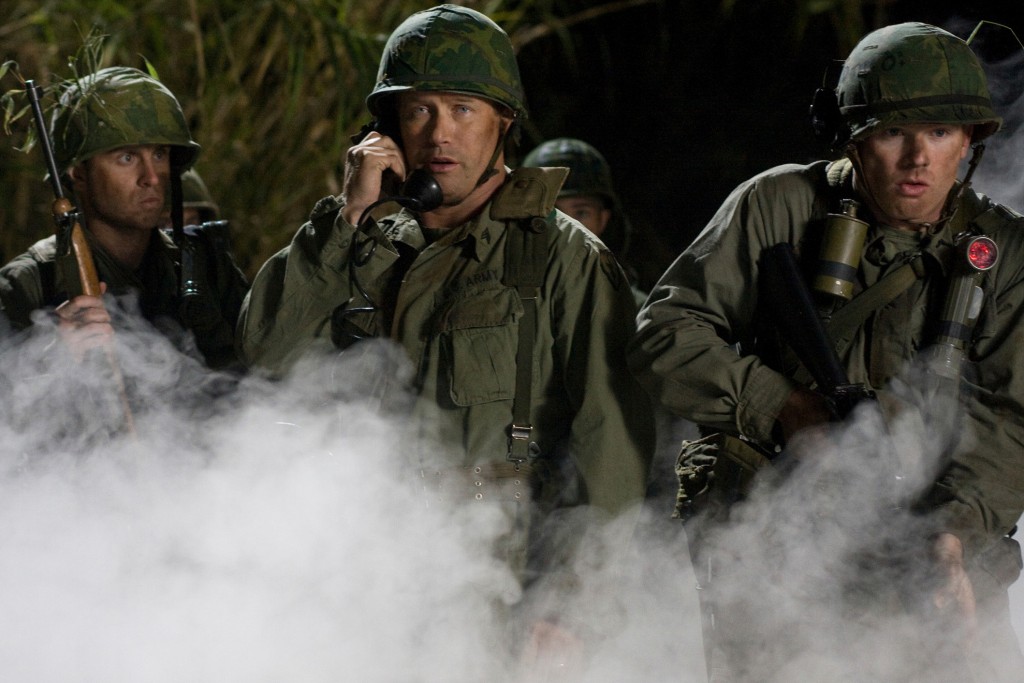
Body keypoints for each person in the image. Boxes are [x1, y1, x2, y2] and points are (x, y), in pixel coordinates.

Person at [238, 3, 653, 673]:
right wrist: (346, 216)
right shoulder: (364, 243)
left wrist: (572, 603)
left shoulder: (562, 256)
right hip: (370, 583)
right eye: (419, 111)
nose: (440, 133)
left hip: (501, 590)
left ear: (503, 124)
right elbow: (266, 352)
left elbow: (612, 447)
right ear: (389, 128)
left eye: (463, 109)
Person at [629, 22, 1024, 682]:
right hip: (782, 558)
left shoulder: (1004, 253)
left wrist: (954, 532)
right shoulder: (780, 205)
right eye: (894, 132)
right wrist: (783, 405)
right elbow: (664, 333)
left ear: (972, 140)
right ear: (852, 137)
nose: (917, 158)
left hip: (938, 562)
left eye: (941, 132)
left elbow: (1013, 417)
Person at [0, 66, 250, 372]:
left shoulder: (204, 266)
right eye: (127, 158)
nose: (151, 178)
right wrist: (49, 357)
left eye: (159, 154)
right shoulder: (27, 284)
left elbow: (263, 380)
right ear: (78, 173)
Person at [521, 137, 647, 305]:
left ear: (603, 220)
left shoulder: (637, 314)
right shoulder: (495, 305)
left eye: (581, 213)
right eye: (549, 213)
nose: (565, 227)